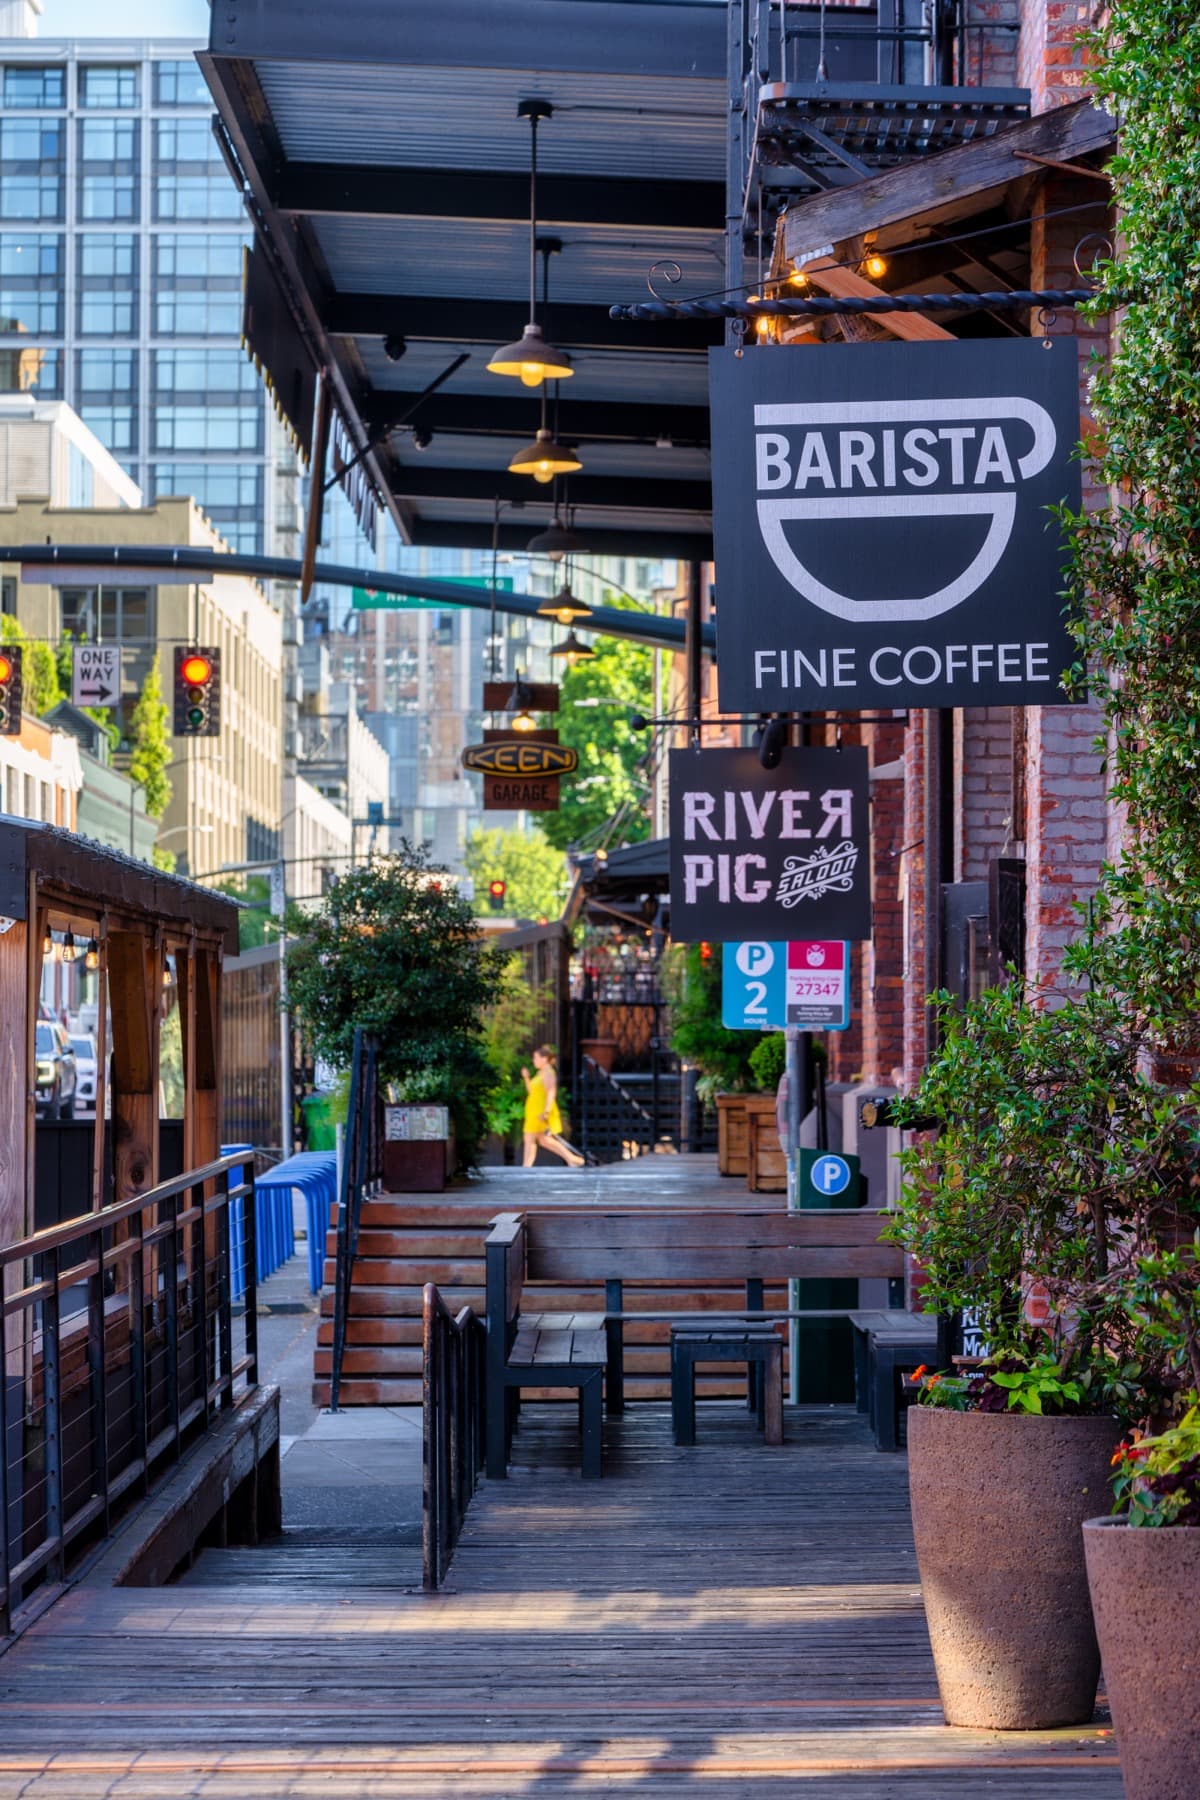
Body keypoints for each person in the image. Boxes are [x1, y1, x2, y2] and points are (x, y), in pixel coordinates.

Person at [521, 1046, 585, 1168]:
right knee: (544, 1140)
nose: (534, 1060)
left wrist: (546, 1111)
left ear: (544, 1059)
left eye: (536, 1058)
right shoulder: (540, 1073)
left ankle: (526, 1167)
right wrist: (526, 1078)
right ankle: (572, 1159)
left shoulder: (548, 1073)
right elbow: (532, 1092)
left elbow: (551, 1093)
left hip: (541, 1110)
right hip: (534, 1110)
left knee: (530, 1137)